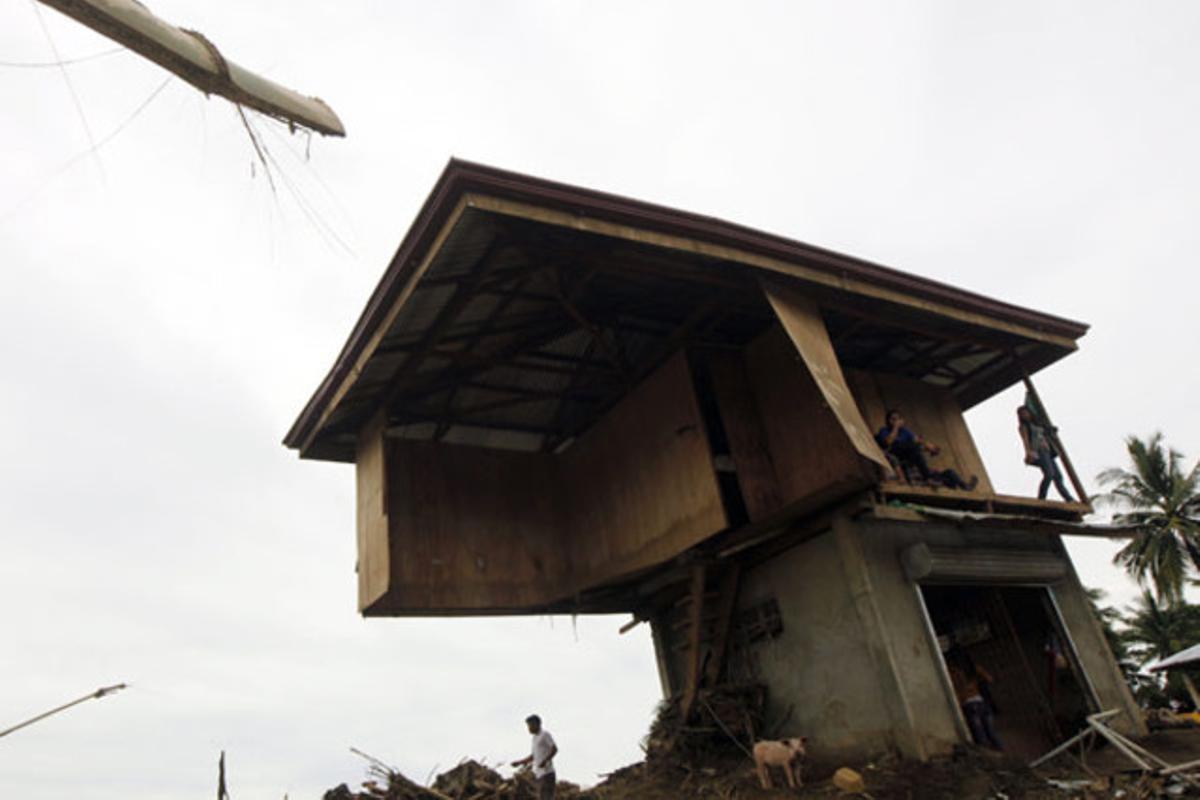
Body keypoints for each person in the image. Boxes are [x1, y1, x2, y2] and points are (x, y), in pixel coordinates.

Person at [875, 409, 978, 490]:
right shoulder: (884, 430)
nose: (896, 421)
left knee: (949, 472)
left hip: (910, 453)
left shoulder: (905, 431)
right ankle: (928, 477)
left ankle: (965, 486)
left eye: (898, 419)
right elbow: (888, 442)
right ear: (888, 421)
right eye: (893, 419)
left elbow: (917, 440)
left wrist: (929, 446)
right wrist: (896, 428)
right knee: (914, 447)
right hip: (896, 452)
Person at [947, 649, 1003, 751]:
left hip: (968, 704)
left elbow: (954, 692)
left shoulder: (952, 673)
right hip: (981, 702)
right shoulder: (973, 668)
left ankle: (988, 756)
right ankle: (1002, 752)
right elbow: (990, 679)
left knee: (980, 736)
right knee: (991, 733)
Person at [1017, 405, 1074, 501]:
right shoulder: (1024, 427)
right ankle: (1041, 498)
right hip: (1039, 451)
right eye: (1022, 414)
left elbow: (1048, 432)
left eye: (1026, 413)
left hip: (1048, 452)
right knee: (1049, 474)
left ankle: (1069, 498)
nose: (1025, 415)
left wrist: (1052, 430)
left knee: (1058, 476)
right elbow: (1025, 440)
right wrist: (1028, 452)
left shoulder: (1038, 424)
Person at [511, 714, 557, 800]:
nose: (529, 728)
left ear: (536, 724)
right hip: (539, 774)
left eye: (530, 725)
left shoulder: (545, 735)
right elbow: (533, 756)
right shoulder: (534, 738)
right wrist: (520, 762)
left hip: (547, 773)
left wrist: (545, 761)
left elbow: (554, 749)